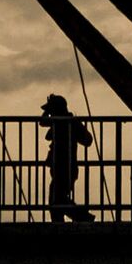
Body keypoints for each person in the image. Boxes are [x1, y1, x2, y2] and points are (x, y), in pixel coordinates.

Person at [39, 93, 94, 222]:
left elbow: (88, 140)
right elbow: (42, 122)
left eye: (51, 110)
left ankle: (83, 217)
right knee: (58, 199)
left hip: (66, 167)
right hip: (62, 167)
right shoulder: (62, 122)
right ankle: (81, 217)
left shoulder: (70, 123)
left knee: (56, 200)